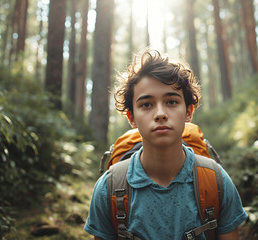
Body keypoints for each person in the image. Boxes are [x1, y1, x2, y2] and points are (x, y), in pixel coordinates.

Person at [84, 50, 247, 239]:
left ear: (188, 111)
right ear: (131, 117)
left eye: (171, 101)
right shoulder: (108, 188)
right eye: (146, 104)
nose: (160, 113)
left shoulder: (216, 181)